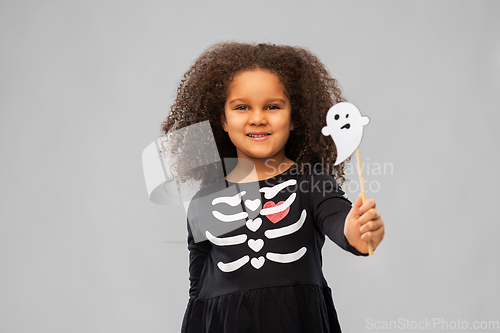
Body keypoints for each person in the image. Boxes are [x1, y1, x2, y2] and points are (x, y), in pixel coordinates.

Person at [161, 42, 385, 333]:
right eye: (242, 107)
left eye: (272, 106)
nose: (257, 118)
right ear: (222, 121)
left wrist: (356, 231)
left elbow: (338, 219)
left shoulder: (311, 182)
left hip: (298, 321)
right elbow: (198, 287)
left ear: (295, 117)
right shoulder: (204, 200)